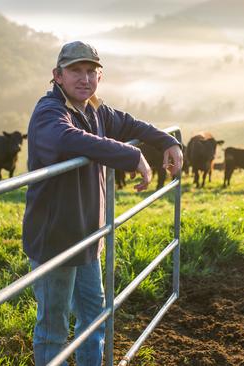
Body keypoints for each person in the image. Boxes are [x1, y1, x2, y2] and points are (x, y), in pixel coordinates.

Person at [22, 41, 183, 365]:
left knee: (94, 318)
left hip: (88, 238)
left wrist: (167, 141)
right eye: (75, 71)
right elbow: (66, 138)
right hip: (56, 241)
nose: (84, 79)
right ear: (57, 75)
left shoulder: (94, 110)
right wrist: (131, 154)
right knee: (53, 329)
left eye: (91, 72)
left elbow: (130, 124)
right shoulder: (49, 112)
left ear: (100, 76)